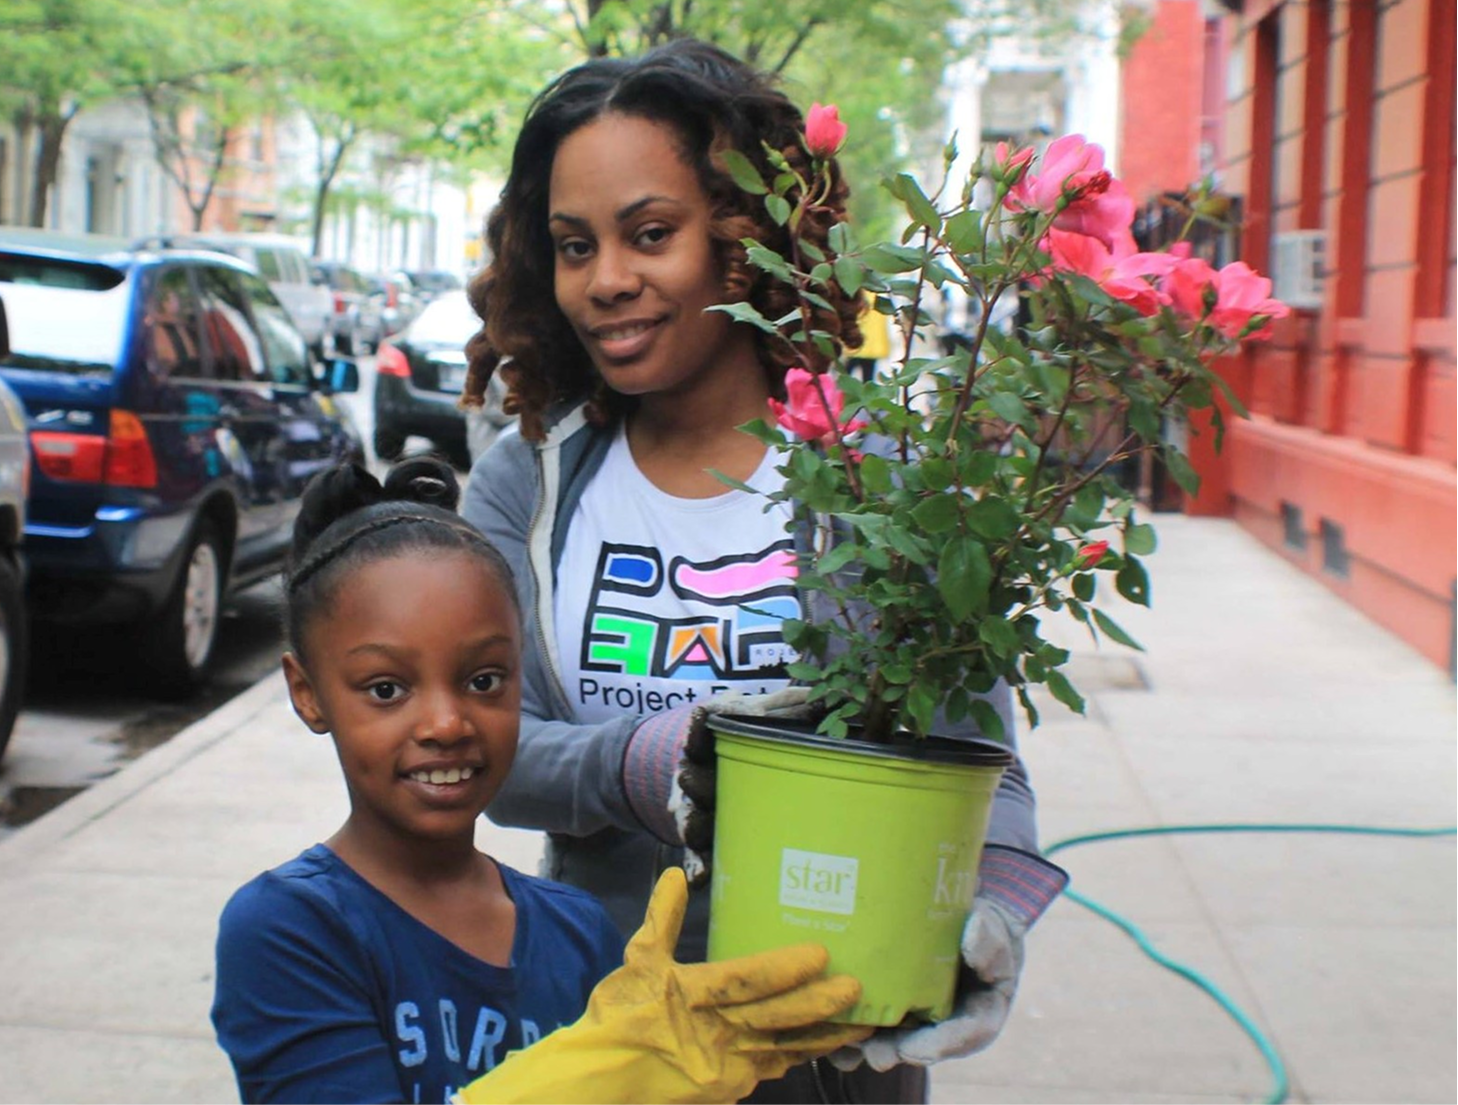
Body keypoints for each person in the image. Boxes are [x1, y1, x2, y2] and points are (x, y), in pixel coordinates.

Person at [459, 39, 1069, 1104]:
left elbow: (984, 762)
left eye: (651, 234)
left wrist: (995, 909)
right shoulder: (525, 487)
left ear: (745, 236)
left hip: (836, 1049)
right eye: (572, 245)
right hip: (609, 1046)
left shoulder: (886, 479)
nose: (606, 281)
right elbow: (484, 751)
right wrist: (644, 763)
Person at [210, 456, 868, 1105]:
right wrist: (586, 1081)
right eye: (387, 688)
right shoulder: (289, 928)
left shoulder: (577, 926)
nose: (446, 721)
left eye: (484, 679)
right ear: (309, 692)